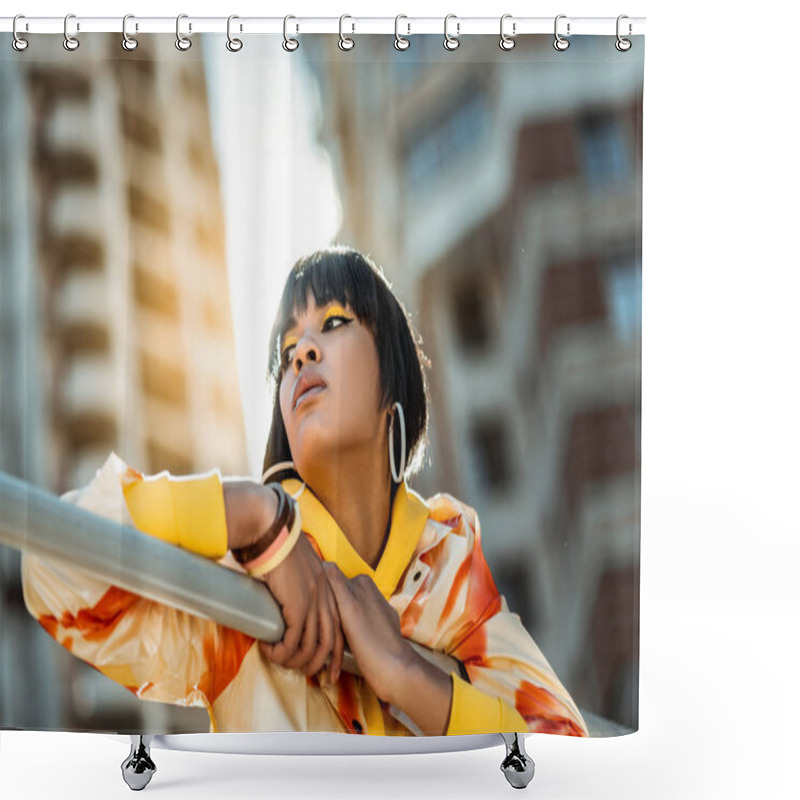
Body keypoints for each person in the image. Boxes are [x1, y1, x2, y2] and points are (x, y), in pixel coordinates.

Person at [21, 246, 588, 737]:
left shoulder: (453, 572)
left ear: (394, 376)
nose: (300, 352)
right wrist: (252, 516)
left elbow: (569, 768)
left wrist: (407, 677)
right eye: (287, 346)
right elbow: (52, 568)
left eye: (334, 322)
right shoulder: (239, 584)